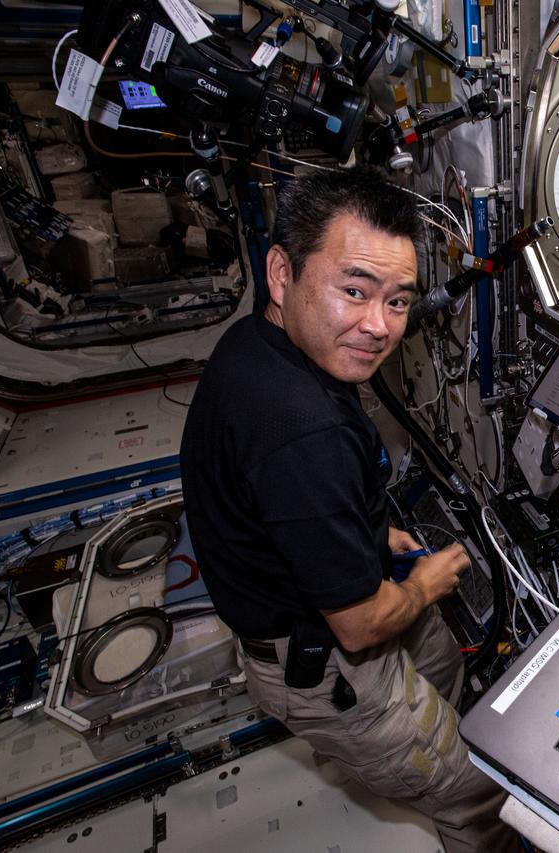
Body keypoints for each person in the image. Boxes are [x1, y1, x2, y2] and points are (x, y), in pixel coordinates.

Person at [180, 167, 514, 853]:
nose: (377, 326)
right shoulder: (304, 430)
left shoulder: (258, 346)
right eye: (354, 290)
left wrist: (365, 533)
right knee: (480, 790)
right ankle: (429, 765)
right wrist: (423, 583)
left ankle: (430, 727)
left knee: (442, 655)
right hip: (328, 666)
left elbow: (285, 501)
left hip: (307, 605)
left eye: (398, 301)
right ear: (282, 273)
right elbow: (360, 628)